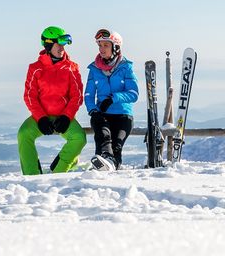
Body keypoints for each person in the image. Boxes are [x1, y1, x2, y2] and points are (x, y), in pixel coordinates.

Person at [17, 26, 86, 175]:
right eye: (59, 43)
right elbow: (30, 96)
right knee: (24, 134)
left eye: (64, 44)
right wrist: (40, 118)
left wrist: (67, 117)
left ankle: (58, 171)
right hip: (41, 116)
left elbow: (77, 96)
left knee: (79, 137)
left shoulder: (71, 68)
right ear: (48, 45)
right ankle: (32, 175)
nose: (62, 48)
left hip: (63, 117)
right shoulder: (35, 68)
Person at [84, 28, 139, 171]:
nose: (101, 49)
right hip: (102, 114)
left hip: (123, 115)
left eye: (105, 45)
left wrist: (113, 98)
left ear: (115, 47)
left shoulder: (126, 67)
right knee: (102, 135)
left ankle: (109, 166)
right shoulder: (94, 69)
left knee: (116, 146)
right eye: (100, 45)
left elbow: (134, 93)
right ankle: (105, 161)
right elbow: (88, 95)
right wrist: (93, 110)